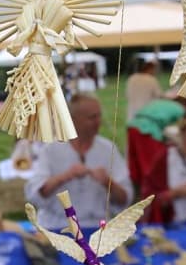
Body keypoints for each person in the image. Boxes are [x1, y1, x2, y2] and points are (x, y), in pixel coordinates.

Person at [25, 94, 134, 230]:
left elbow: (125, 199)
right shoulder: (50, 150)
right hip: (55, 226)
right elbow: (36, 194)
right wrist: (65, 176)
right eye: (92, 117)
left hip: (96, 227)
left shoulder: (108, 149)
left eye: (99, 116)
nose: (98, 122)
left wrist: (108, 182)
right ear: (73, 120)